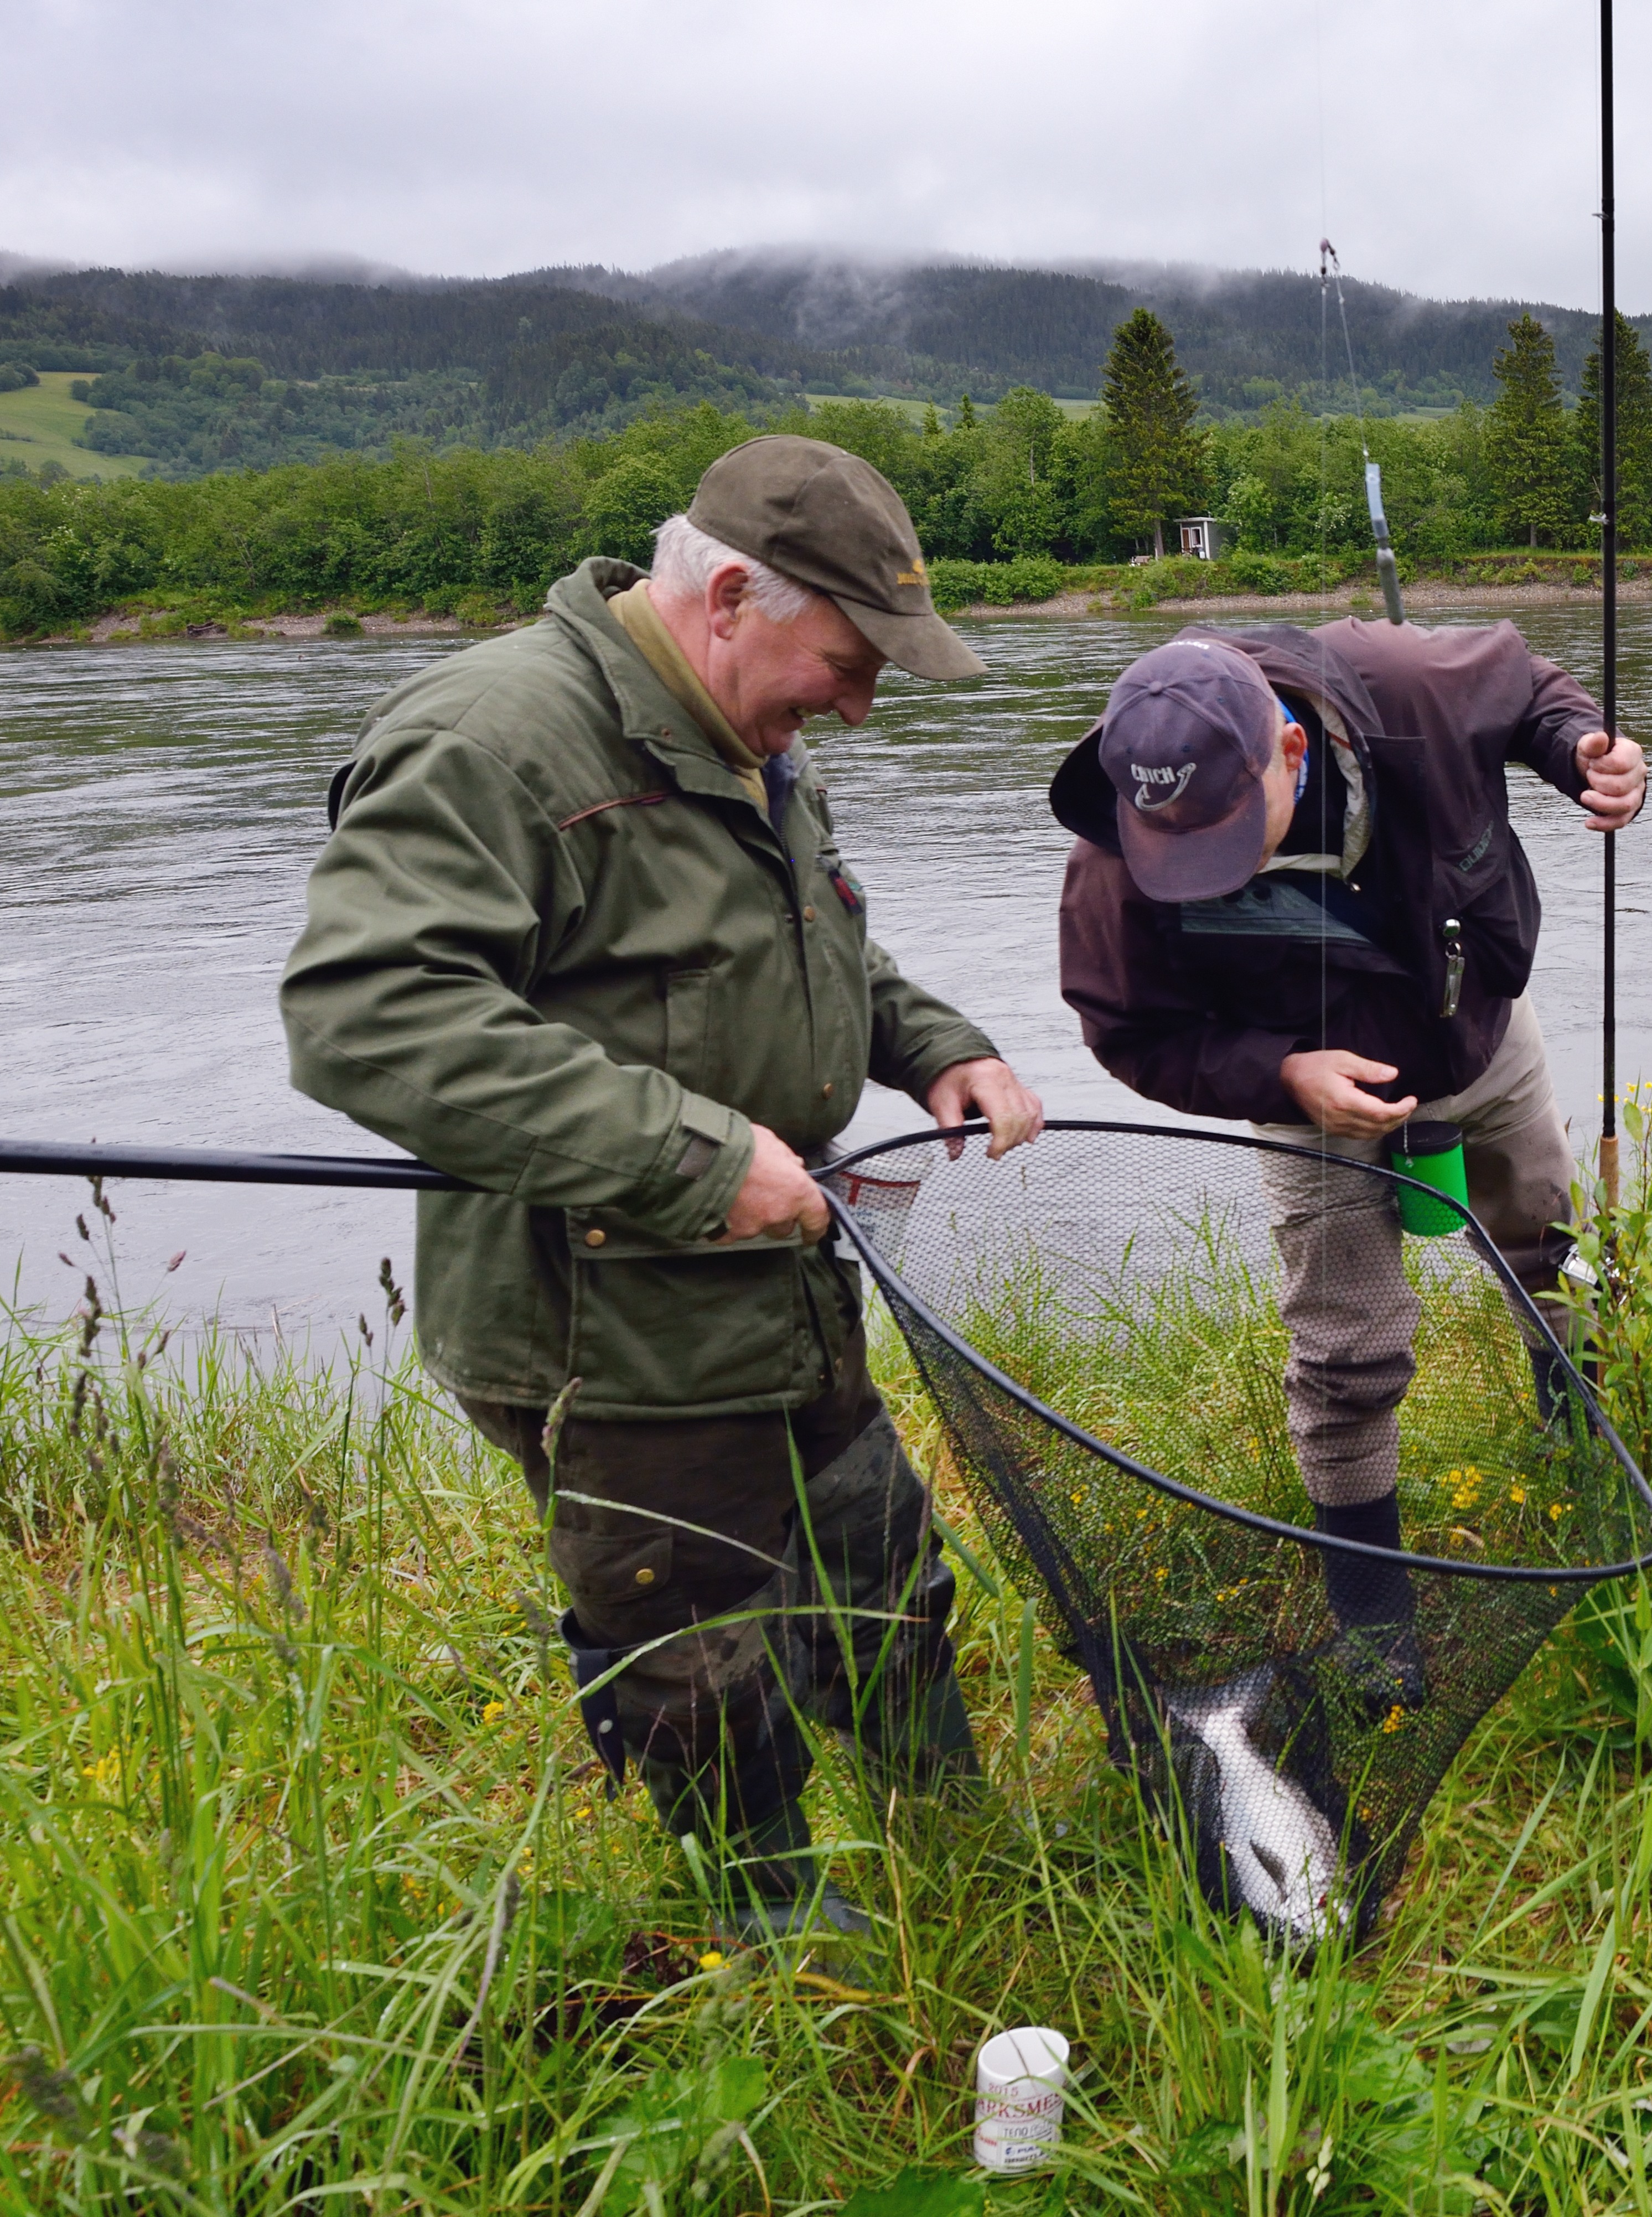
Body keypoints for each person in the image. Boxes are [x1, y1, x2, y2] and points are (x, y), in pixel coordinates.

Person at [283, 435, 1049, 1944]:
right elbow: (365, 1014)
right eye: (844, 659)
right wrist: (692, 1158)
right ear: (732, 598)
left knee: (882, 1570)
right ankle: (778, 1937)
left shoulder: (754, 732)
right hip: (605, 1327)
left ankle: (949, 1852)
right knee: (691, 1647)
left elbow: (821, 951)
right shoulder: (494, 740)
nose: (857, 698)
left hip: (788, 1288)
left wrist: (933, 1045)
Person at [1049, 620, 1643, 1702]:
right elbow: (1127, 1031)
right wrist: (1281, 1074)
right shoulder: (1120, 847)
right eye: (1178, 845)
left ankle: (1590, 1454)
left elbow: (1530, 688)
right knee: (1346, 1349)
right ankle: (1376, 1626)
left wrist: (1588, 751)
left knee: (1557, 1251)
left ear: (1289, 749)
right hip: (1308, 1089)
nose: (1204, 866)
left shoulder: (1412, 687)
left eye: (1227, 836)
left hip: (1480, 1034)